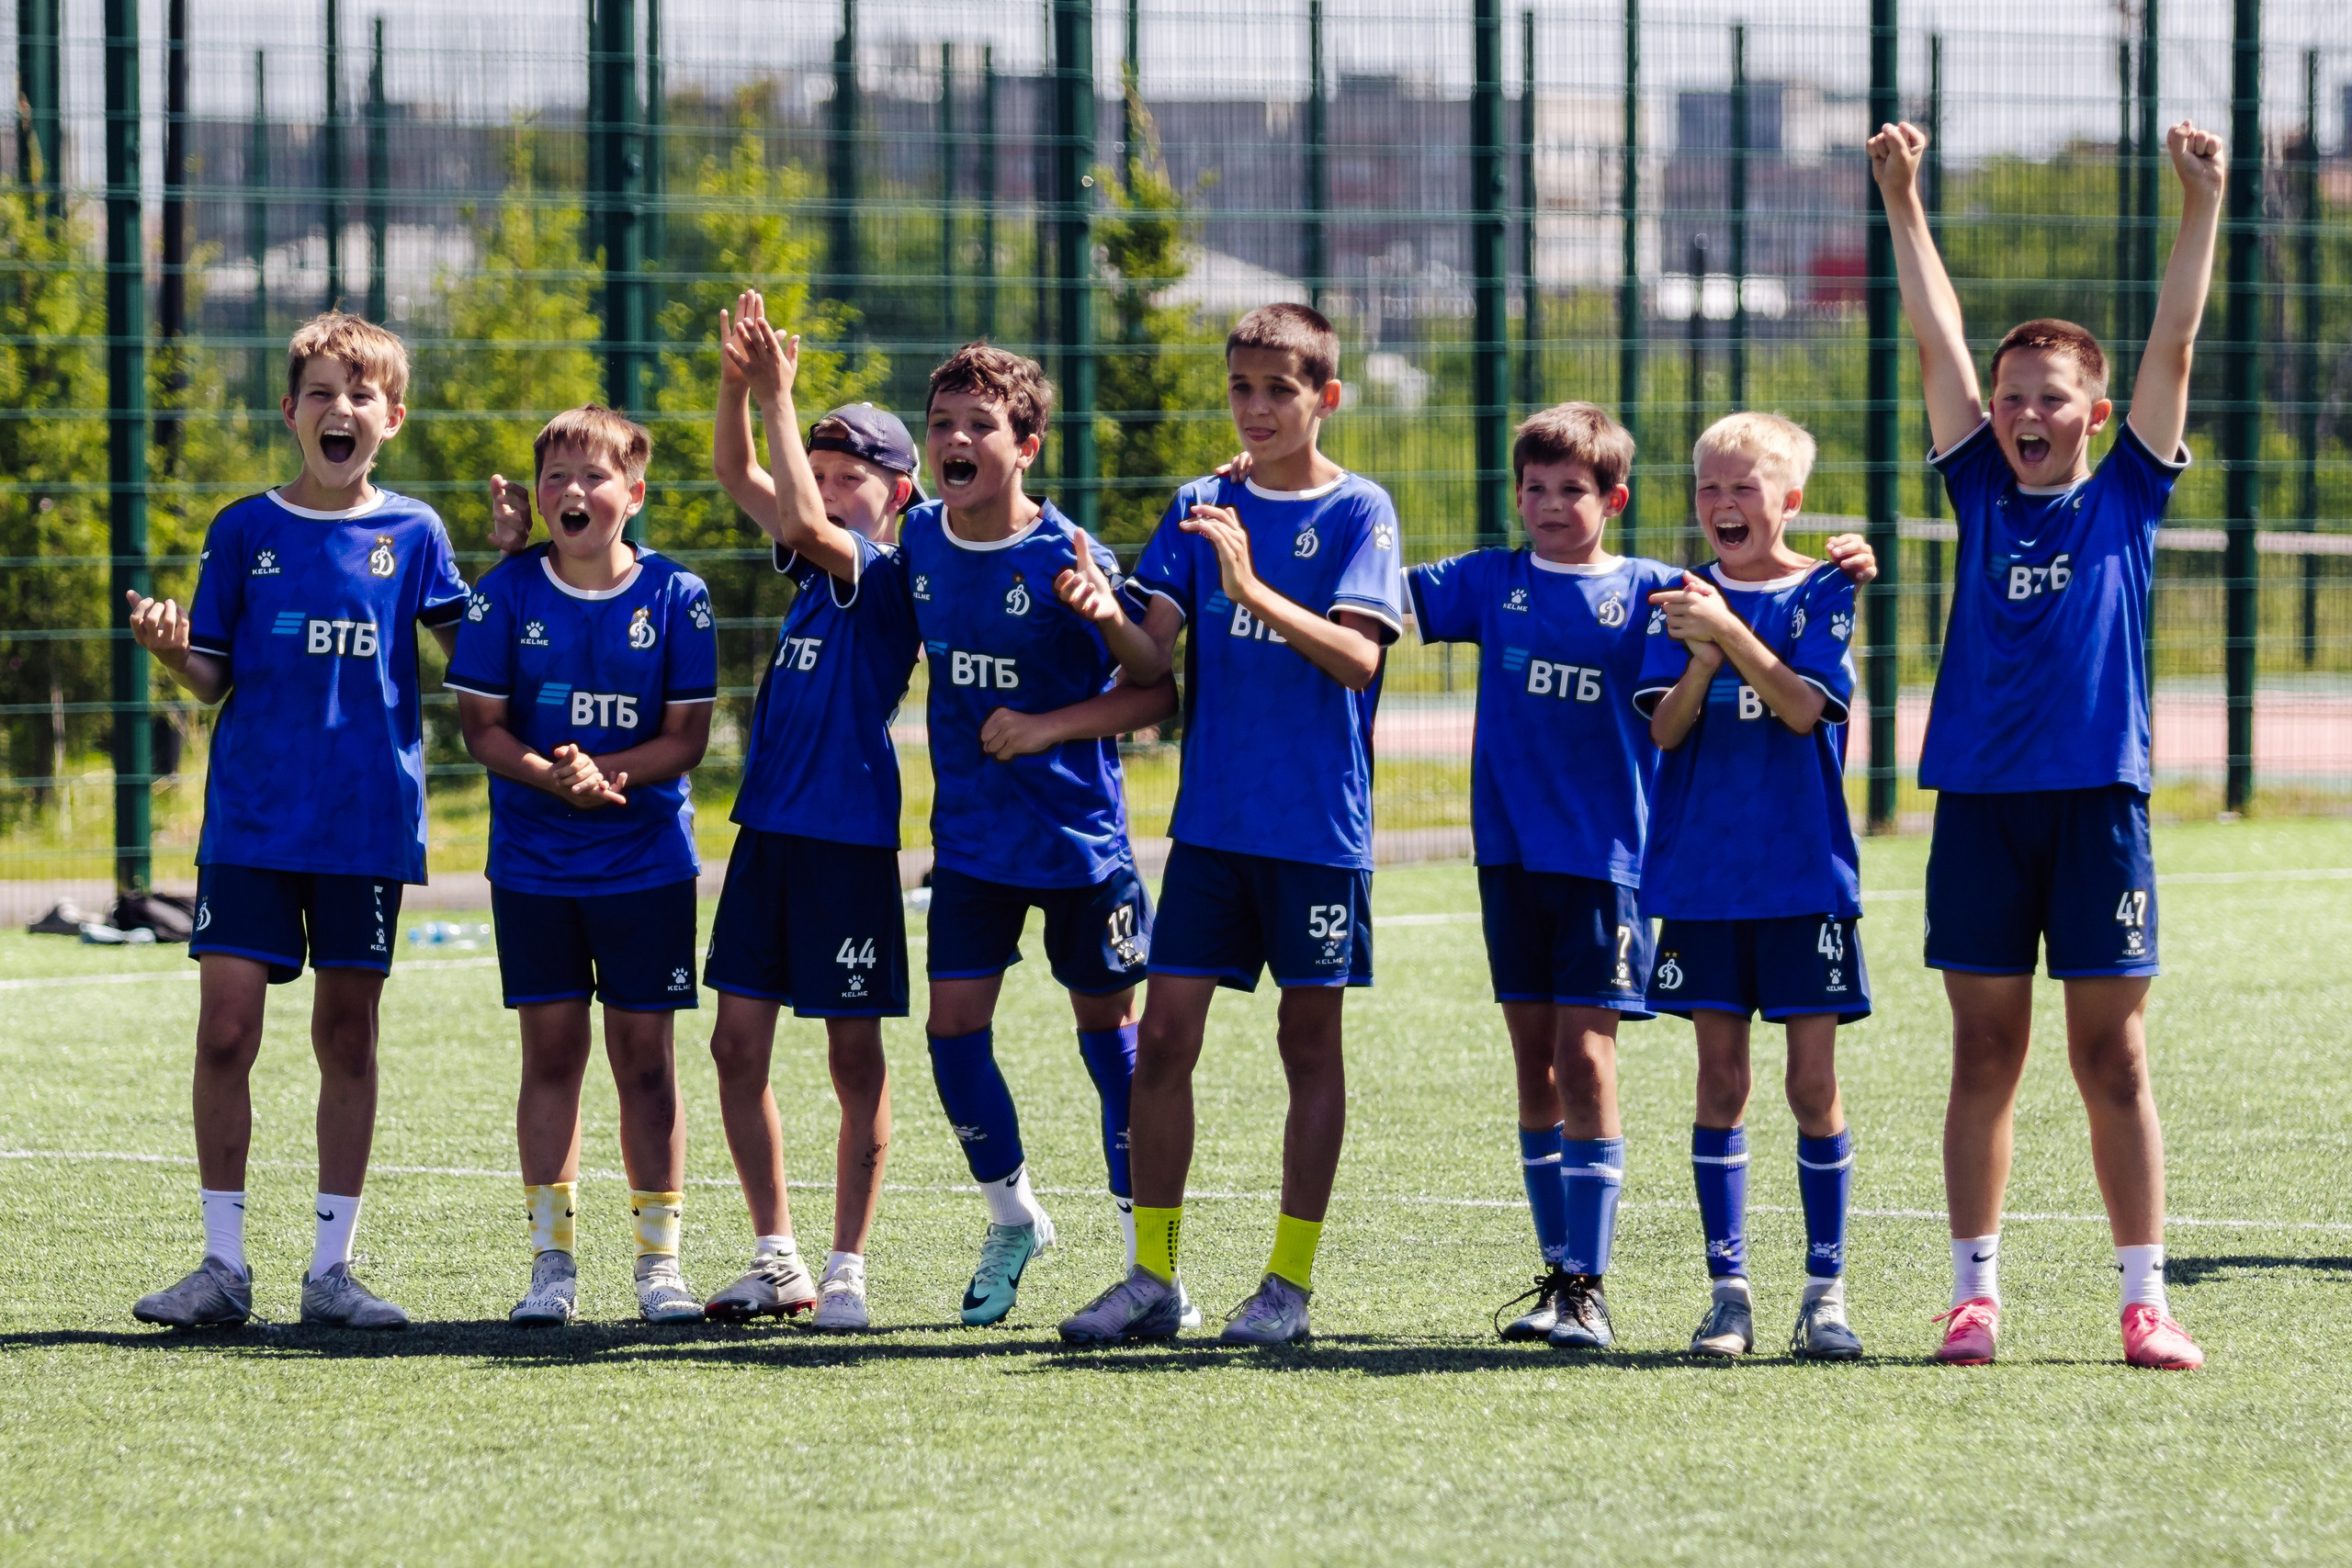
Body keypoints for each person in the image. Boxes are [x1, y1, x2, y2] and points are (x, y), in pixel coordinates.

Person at [1871, 116, 2223, 1370]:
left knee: (2111, 1050)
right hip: (1979, 800)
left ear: (2094, 414)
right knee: (1984, 1047)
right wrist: (1904, 205)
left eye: (2049, 399)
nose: (2024, 412)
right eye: (2011, 397)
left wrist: (2198, 206)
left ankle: (2146, 1298)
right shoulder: (1974, 484)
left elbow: (2176, 335)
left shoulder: (2128, 488)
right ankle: (1974, 1293)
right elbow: (1936, 337)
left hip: (2096, 804)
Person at [1057, 303, 1406, 1346]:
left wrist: (1248, 584)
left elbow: (1357, 659)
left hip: (1314, 831)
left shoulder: (1358, 511)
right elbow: (1153, 660)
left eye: (1279, 390)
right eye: (1241, 389)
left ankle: (1287, 1288)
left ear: (1323, 398)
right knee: (1161, 1041)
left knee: (1308, 1043)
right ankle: (1153, 1278)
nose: (1255, 408)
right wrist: (1101, 609)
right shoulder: (1200, 504)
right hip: (1210, 828)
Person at [127, 311, 469, 1331]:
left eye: (360, 395)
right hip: (252, 825)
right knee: (227, 1031)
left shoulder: (413, 534)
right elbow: (212, 675)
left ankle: (331, 1272)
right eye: (320, 392)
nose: (340, 409)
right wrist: (166, 649)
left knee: (346, 1039)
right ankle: (222, 1269)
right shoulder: (243, 531)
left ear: (392, 418)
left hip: (364, 827)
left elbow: (479, 661)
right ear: (290, 411)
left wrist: (509, 580)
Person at [895, 340, 1182, 1326]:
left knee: (1111, 1044)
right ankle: (1013, 1216)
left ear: (1026, 445)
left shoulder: (1068, 555)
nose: (957, 440)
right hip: (972, 845)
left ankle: (1152, 1269)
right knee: (949, 1033)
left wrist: (1050, 721)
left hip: (1076, 848)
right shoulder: (919, 541)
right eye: (943, 425)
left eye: (980, 425)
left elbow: (1155, 689)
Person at [452, 406, 717, 1325]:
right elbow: (480, 727)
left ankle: (659, 1266)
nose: (574, 492)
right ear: (536, 494)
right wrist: (550, 777)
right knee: (552, 1052)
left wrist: (608, 773)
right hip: (531, 863)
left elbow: (686, 740)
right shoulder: (504, 592)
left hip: (646, 863)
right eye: (557, 476)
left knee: (646, 1061)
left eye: (595, 477)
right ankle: (551, 1266)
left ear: (633, 496)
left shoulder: (678, 597)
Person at [696, 292, 926, 1330]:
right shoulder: (807, 571)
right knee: (736, 1046)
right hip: (769, 837)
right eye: (823, 475)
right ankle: (777, 1255)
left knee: (849, 1053)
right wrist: (737, 389)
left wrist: (782, 399)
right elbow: (740, 480)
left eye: (852, 482)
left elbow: (788, 508)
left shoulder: (878, 575)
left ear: (899, 497)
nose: (828, 494)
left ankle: (847, 1266)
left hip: (846, 842)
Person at [1638, 412, 1868, 1362]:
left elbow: (1802, 708)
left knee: (1813, 1085)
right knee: (1720, 1080)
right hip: (1700, 881)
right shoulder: (1674, 599)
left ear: (1790, 500)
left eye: (1745, 486)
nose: (1724, 504)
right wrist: (1698, 657)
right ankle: (1727, 1290)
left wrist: (1728, 632)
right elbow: (1664, 732)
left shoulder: (1825, 590)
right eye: (1710, 488)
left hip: (1802, 877)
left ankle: (1825, 1289)